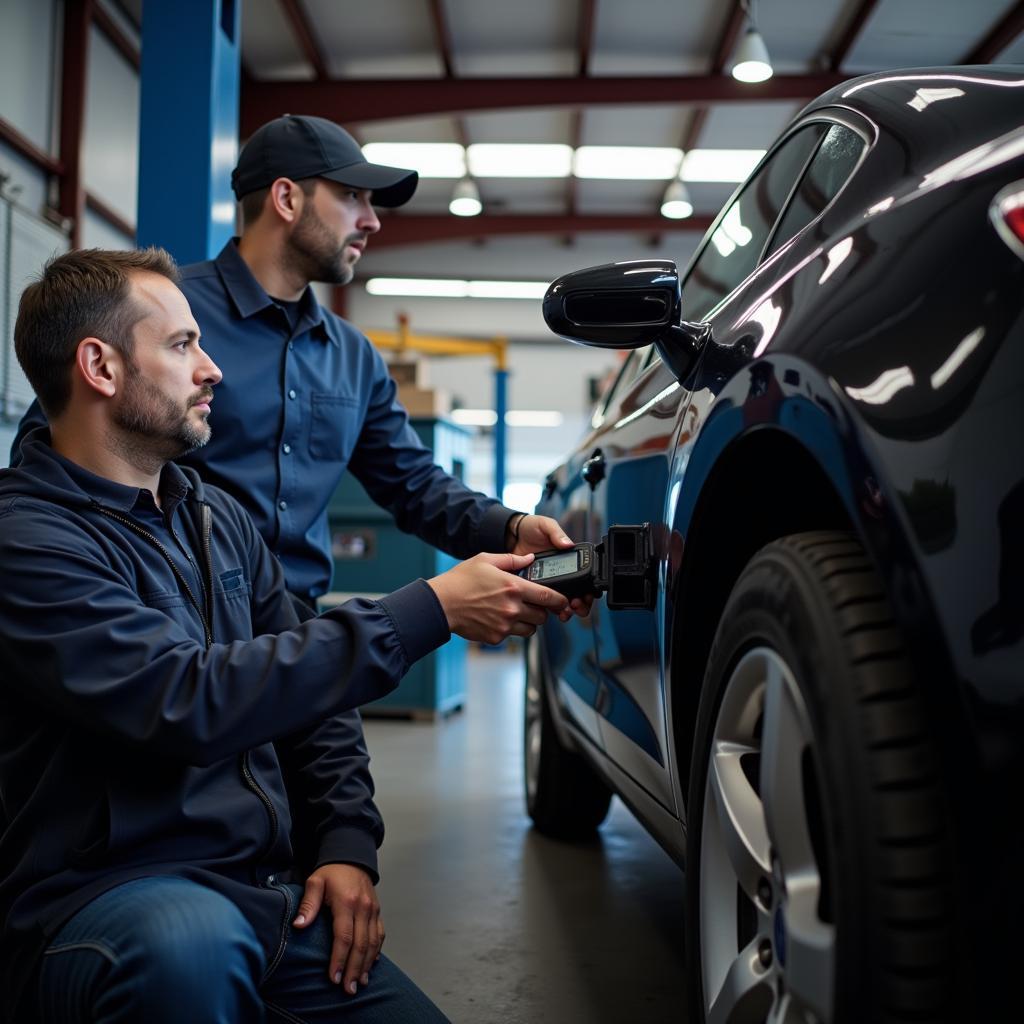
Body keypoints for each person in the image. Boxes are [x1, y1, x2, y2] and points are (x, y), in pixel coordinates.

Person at [10, 114, 588, 996]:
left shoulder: (346, 358)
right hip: (153, 660)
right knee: (181, 935)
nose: (372, 219)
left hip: (291, 661)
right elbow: (77, 455)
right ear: (286, 198)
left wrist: (508, 533)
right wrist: (427, 609)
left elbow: (415, 486)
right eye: (353, 195)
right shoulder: (163, 309)